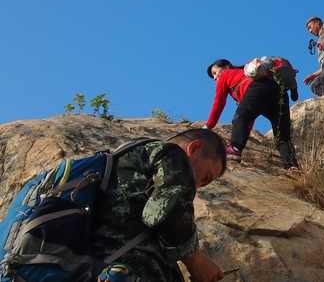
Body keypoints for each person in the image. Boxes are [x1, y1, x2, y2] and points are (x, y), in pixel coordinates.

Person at [92, 129, 227, 282]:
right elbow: (165, 211)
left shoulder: (125, 158)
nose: (199, 185)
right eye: (205, 177)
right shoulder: (170, 154)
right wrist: (196, 261)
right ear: (194, 148)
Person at [205, 58, 298, 169]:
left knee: (240, 117)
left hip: (259, 87)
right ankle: (292, 166)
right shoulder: (246, 73)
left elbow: (219, 102)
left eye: (215, 73)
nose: (215, 78)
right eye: (213, 76)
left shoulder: (226, 74)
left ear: (226, 67)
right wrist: (244, 132)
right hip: (280, 92)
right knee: (282, 137)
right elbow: (250, 117)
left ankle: (234, 150)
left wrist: (208, 126)